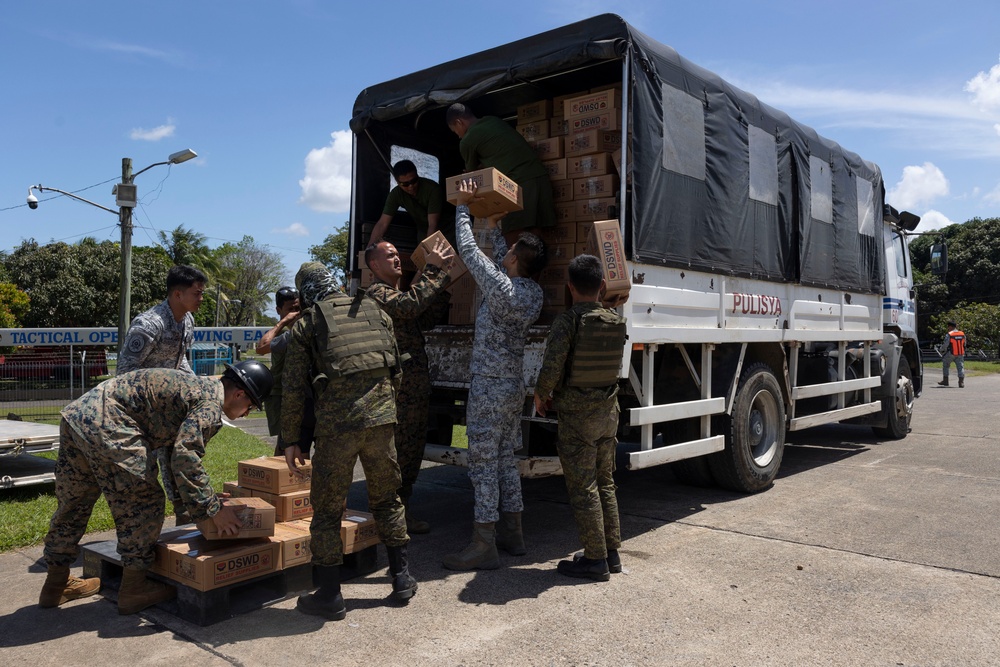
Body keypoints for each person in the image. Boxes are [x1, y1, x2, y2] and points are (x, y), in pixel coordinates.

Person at [38, 361, 273, 614]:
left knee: (74, 503)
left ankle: (56, 585)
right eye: (251, 406)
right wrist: (213, 509)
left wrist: (202, 499)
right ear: (239, 393)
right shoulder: (210, 406)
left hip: (78, 417)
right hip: (110, 425)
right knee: (144, 504)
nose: (248, 413)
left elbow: (175, 456)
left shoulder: (196, 389)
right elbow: (186, 457)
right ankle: (134, 589)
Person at [281, 262, 416, 621]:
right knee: (388, 499)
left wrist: (291, 439)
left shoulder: (307, 325)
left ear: (306, 292)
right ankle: (401, 577)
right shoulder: (375, 312)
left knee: (326, 512)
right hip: (381, 422)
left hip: (337, 430)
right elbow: (396, 370)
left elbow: (293, 388)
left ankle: (329, 595)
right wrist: (382, 411)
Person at [442, 180, 546, 571]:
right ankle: (513, 534)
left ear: (517, 261)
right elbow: (502, 259)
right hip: (512, 387)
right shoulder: (531, 292)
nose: (507, 254)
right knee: (505, 460)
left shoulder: (501, 289)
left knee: (483, 465)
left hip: (488, 386)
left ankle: (483, 543)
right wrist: (499, 228)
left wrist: (464, 207)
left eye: (513, 251)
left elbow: (470, 252)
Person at [533, 255, 627, 582]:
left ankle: (594, 559)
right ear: (602, 286)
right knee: (605, 483)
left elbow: (552, 366)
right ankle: (611, 553)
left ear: (570, 288)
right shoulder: (614, 319)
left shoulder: (568, 321)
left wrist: (540, 394)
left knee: (583, 487)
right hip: (608, 413)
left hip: (577, 417)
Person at [366, 239, 453, 534]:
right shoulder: (376, 294)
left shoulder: (399, 294)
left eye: (398, 254)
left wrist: (442, 285)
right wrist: (433, 271)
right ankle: (386, 518)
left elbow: (424, 316)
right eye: (389, 256)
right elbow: (409, 305)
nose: (397, 259)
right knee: (395, 457)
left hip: (414, 392)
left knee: (411, 455)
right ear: (374, 265)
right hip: (396, 394)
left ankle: (402, 513)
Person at [116, 264, 207, 525]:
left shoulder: (187, 321)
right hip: (140, 411)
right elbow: (125, 372)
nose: (201, 298)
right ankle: (140, 529)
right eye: (197, 293)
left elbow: (180, 361)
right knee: (142, 472)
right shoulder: (149, 324)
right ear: (178, 295)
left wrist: (195, 385)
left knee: (177, 457)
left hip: (168, 408)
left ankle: (183, 513)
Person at [446, 103, 556, 241]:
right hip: (540, 178)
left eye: (455, 131)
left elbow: (472, 176)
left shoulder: (468, 140)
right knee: (537, 239)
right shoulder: (493, 120)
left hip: (519, 186)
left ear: (459, 122)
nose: (458, 136)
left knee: (514, 243)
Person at [256, 286, 316, 457]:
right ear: (278, 310)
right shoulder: (281, 333)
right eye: (291, 309)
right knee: (286, 443)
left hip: (302, 395)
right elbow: (261, 347)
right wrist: (282, 322)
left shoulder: (303, 330)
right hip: (280, 394)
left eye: (298, 309)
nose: (295, 313)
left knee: (295, 443)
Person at [369, 159, 455, 247]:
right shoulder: (396, 194)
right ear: (397, 182)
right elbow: (382, 223)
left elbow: (433, 224)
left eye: (413, 181)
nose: (411, 186)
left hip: (447, 229)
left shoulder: (432, 189)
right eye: (405, 184)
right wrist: (369, 249)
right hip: (423, 230)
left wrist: (429, 248)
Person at [939, 320, 966, 388]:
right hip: (960, 353)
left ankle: (945, 380)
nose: (948, 328)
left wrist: (941, 350)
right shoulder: (962, 334)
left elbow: (946, 344)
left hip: (951, 353)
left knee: (945, 365)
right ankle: (961, 382)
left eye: (948, 327)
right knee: (960, 367)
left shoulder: (949, 334)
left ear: (950, 327)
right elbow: (964, 343)